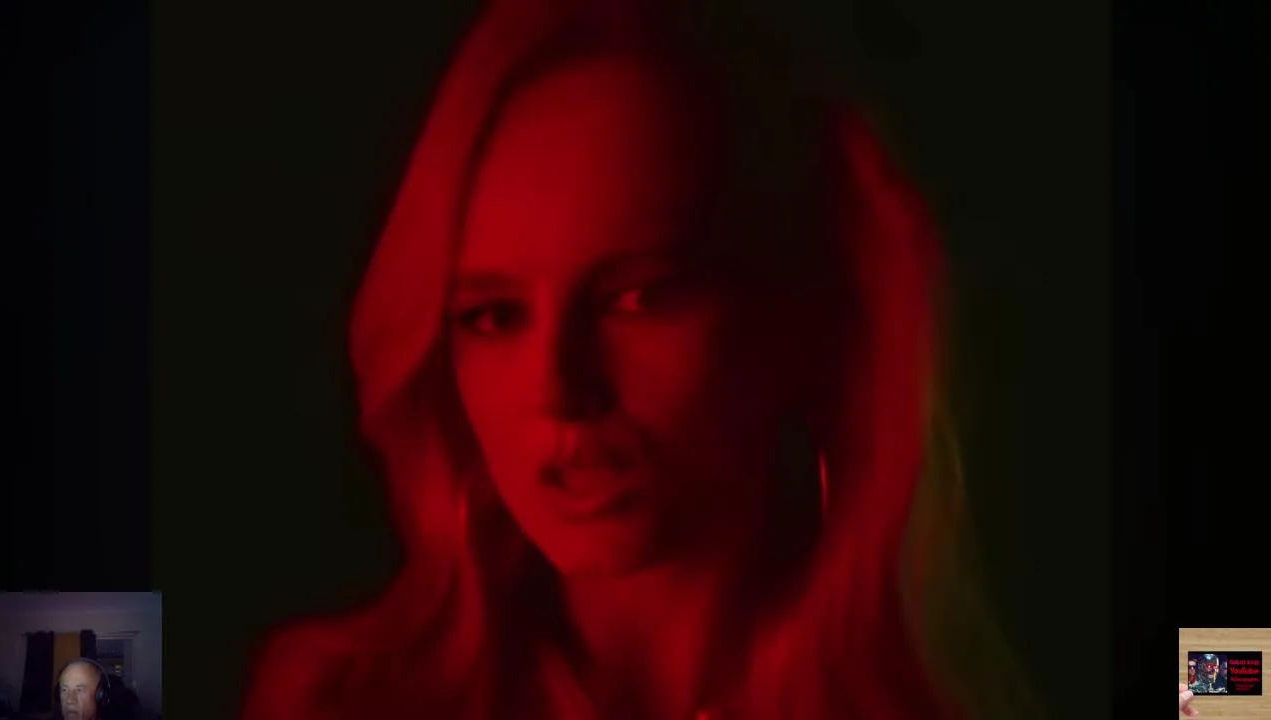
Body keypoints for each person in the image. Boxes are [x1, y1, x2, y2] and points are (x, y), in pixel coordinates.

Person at [242, 0, 1036, 718]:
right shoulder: (341, 704)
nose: (559, 387)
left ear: (796, 310)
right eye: (494, 317)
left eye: (639, 297)